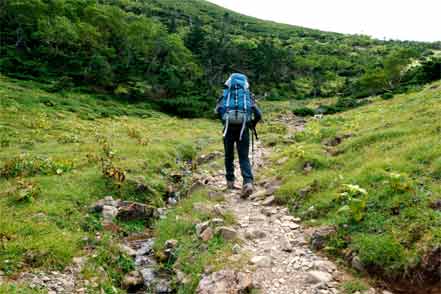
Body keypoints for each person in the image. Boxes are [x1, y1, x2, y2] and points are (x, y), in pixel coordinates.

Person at [215, 73, 262, 197]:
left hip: (228, 129)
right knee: (244, 157)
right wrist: (252, 124)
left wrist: (224, 121)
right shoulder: (247, 96)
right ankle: (248, 182)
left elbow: (217, 111)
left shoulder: (225, 95)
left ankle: (230, 182)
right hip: (243, 129)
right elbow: (259, 114)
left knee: (228, 156)